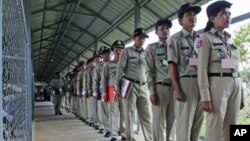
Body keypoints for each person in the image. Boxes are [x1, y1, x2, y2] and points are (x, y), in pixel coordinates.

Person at [197, 1, 244, 141]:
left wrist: (240, 93)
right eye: (223, 14)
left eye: (229, 13)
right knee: (215, 126)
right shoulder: (205, 38)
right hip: (217, 85)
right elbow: (202, 69)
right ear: (213, 19)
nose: (228, 16)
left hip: (234, 84)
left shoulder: (230, 41)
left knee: (232, 126)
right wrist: (205, 97)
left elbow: (236, 68)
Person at [167, 3, 204, 141]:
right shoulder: (175, 39)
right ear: (180, 20)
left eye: (194, 15)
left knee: (198, 122)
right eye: (188, 15)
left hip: (202, 83)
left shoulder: (201, 39)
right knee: (184, 124)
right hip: (186, 82)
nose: (192, 17)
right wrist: (177, 89)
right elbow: (172, 65)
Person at [115, 28, 153, 141]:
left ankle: (149, 139)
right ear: (134, 38)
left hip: (144, 86)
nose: (142, 40)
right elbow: (120, 69)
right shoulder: (126, 51)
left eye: (143, 38)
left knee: (147, 116)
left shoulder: (146, 53)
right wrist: (117, 86)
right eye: (139, 38)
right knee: (129, 114)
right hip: (130, 86)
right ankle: (130, 138)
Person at [145, 19, 174, 141]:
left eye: (167, 28)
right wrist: (152, 92)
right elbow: (149, 71)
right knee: (158, 122)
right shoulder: (151, 48)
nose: (165, 31)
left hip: (175, 88)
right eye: (162, 29)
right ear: (156, 32)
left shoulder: (175, 46)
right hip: (160, 88)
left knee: (173, 121)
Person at [102, 40, 126, 141]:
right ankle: (114, 134)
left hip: (125, 90)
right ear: (113, 51)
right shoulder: (107, 64)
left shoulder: (126, 63)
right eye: (116, 50)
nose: (119, 51)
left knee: (124, 112)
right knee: (113, 112)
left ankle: (123, 133)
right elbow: (104, 79)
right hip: (112, 90)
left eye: (120, 49)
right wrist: (104, 93)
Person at [93, 46, 112, 133]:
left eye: (108, 53)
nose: (107, 55)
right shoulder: (98, 67)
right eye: (104, 54)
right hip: (102, 90)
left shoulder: (115, 63)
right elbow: (96, 80)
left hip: (112, 90)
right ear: (102, 56)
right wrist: (96, 92)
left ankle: (115, 128)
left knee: (113, 110)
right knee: (104, 110)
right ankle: (106, 129)